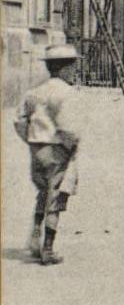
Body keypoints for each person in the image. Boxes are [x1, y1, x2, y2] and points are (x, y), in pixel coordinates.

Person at [14, 42, 84, 266]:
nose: (74, 71)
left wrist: (31, 139)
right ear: (63, 68)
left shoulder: (34, 92)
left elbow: (19, 120)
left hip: (36, 149)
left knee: (43, 193)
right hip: (56, 149)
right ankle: (48, 249)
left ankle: (34, 237)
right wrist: (71, 146)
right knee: (56, 196)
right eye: (72, 67)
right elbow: (68, 127)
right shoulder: (67, 93)